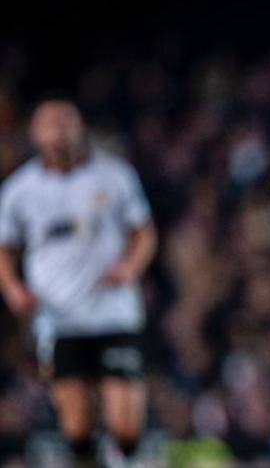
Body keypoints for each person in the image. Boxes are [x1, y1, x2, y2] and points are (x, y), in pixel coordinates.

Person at [0, 99, 156, 466]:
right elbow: (4, 247)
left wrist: (129, 268)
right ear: (35, 134)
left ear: (80, 127)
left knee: (125, 425)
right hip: (58, 318)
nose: (59, 132)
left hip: (112, 313)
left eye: (65, 123)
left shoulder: (114, 176)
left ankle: (121, 457)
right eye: (50, 124)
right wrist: (12, 288)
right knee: (77, 426)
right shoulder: (20, 189)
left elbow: (144, 232)